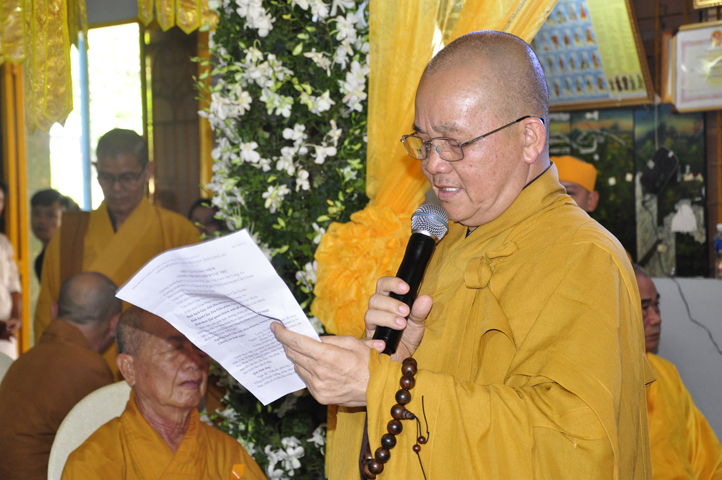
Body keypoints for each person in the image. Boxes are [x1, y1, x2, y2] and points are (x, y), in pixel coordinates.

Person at [272, 31, 652, 478]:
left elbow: (571, 446)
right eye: (425, 142)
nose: (433, 164)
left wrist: (386, 386)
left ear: (529, 138)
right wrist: (390, 360)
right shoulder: (442, 241)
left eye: (455, 143)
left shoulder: (584, 256)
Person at [35, 129, 200, 375]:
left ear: (148, 171)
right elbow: (47, 310)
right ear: (96, 169)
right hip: (78, 371)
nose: (116, 188)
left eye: (127, 177)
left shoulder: (179, 232)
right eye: (106, 177)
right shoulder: (69, 236)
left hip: (154, 374)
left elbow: (197, 317)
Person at [61, 307, 266, 480]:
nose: (194, 361)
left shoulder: (229, 455)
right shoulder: (94, 462)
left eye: (199, 347)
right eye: (175, 348)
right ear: (129, 369)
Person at [0, 272, 120, 480]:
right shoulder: (89, 368)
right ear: (114, 323)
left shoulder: (25, 360)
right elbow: (108, 457)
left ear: (53, 310)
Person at [633, 265, 722, 479]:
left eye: (656, 306)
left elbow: (709, 461)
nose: (656, 319)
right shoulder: (602, 383)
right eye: (644, 308)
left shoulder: (666, 373)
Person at [31, 188, 80, 280]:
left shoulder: (75, 257)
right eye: (37, 213)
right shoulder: (41, 261)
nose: (42, 221)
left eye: (51, 215)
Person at [0, 181, 22, 359]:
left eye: (0, 200)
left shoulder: (3, 242)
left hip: (5, 335)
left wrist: (16, 318)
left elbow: (14, 285)